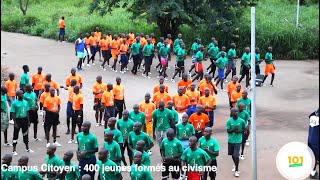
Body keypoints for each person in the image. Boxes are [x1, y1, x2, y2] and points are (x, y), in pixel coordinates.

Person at [11, 90, 33, 156]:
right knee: (15, 135)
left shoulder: (25, 102)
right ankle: (14, 150)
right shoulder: (14, 103)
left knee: (25, 134)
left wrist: (28, 121)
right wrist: (15, 123)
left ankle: (27, 148)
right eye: (21, 94)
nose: (23, 95)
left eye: (23, 94)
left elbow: (27, 112)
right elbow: (13, 113)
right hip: (18, 120)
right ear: (18, 95)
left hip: (24, 120)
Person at [226, 108, 247, 177]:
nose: (236, 112)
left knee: (236, 155)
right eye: (235, 111)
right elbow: (228, 131)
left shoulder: (241, 121)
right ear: (231, 113)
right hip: (230, 140)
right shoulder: (229, 121)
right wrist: (234, 129)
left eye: (237, 111)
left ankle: (237, 170)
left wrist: (239, 131)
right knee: (232, 155)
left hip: (238, 140)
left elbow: (245, 129)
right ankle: (235, 165)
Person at [308, 108, 319, 179]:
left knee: (313, 156)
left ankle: (312, 172)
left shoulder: (313, 114)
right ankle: (312, 173)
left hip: (311, 140)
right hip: (317, 142)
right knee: (315, 157)